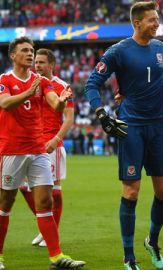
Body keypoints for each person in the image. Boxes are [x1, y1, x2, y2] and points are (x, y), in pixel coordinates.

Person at [84, 2, 163, 269]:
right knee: (131, 192)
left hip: (158, 127)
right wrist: (101, 113)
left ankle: (152, 241)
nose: (157, 24)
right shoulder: (118, 51)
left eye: (157, 19)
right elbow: (92, 83)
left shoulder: (160, 48)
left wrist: (130, 91)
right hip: (131, 126)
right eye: (152, 20)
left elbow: (154, 83)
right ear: (137, 23)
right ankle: (129, 257)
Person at [0, 37, 85, 269]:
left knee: (46, 201)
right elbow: (5, 104)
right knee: (5, 203)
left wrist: (62, 101)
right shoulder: (4, 80)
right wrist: (29, 92)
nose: (30, 55)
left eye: (32, 51)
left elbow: (54, 103)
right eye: (25, 51)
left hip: (38, 149)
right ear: (13, 56)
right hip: (12, 150)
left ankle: (56, 257)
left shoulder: (41, 81)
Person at [18, 48, 75, 248]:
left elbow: (69, 118)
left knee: (54, 191)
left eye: (41, 62)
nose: (38, 66)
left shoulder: (62, 86)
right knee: (22, 186)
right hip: (30, 143)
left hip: (52, 144)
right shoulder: (30, 84)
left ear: (51, 65)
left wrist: (57, 138)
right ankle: (46, 226)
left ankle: (51, 232)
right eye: (36, 62)